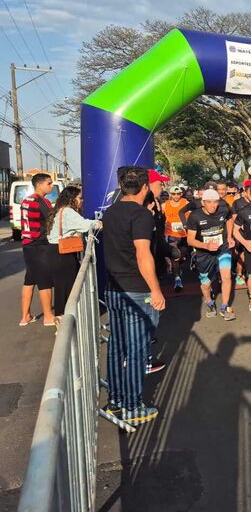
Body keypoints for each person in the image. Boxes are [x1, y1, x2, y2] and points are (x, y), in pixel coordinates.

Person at [103, 166, 165, 425]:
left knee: (117, 348)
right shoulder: (141, 215)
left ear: (121, 186)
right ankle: (132, 407)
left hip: (113, 289)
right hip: (137, 290)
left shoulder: (110, 212)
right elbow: (143, 254)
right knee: (137, 351)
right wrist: (156, 290)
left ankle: (115, 402)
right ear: (145, 187)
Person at [46, 186, 100, 322]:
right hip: (63, 254)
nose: (82, 201)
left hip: (55, 252)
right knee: (68, 289)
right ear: (72, 199)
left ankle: (61, 320)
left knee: (61, 289)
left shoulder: (58, 210)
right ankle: (65, 321)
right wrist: (98, 223)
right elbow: (85, 225)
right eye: (79, 198)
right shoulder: (68, 212)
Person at [187, 188, 236, 320]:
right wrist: (206, 246)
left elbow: (229, 219)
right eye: (209, 202)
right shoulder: (195, 216)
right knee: (206, 284)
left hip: (222, 248)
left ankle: (225, 307)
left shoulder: (223, 209)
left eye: (215, 202)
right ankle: (209, 303)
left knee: (226, 276)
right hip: (204, 253)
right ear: (203, 202)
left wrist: (229, 236)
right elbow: (190, 240)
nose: (213, 205)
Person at [19, 172, 56, 327]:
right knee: (45, 279)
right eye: (49, 183)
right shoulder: (42, 202)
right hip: (40, 244)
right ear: (39, 185)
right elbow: (51, 221)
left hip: (27, 244)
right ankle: (48, 316)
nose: (51, 186)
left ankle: (25, 316)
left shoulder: (26, 201)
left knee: (30, 278)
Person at [162, 185, 189, 293]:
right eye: (173, 194)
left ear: (181, 194)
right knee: (175, 256)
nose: (176, 196)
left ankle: (178, 268)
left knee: (182, 256)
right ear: (170, 194)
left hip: (184, 235)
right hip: (171, 234)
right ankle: (177, 279)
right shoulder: (165, 205)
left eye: (178, 194)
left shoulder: (186, 203)